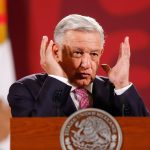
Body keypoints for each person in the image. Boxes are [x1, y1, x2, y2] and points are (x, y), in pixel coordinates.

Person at [8, 14, 149, 117]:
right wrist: (57, 80)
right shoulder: (25, 89)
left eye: (94, 54)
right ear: (56, 52)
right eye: (77, 53)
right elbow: (34, 139)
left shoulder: (115, 91)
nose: (86, 64)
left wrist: (122, 85)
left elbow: (144, 137)